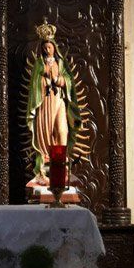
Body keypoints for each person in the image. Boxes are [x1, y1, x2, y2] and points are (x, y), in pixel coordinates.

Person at [27, 21, 81, 182]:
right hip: (44, 102)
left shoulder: (61, 63)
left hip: (59, 101)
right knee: (46, 134)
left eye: (49, 47)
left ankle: (61, 166)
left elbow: (68, 81)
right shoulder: (39, 64)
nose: (46, 49)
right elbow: (35, 84)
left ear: (54, 47)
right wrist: (44, 81)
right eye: (44, 47)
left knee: (62, 131)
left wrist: (58, 79)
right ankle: (45, 169)